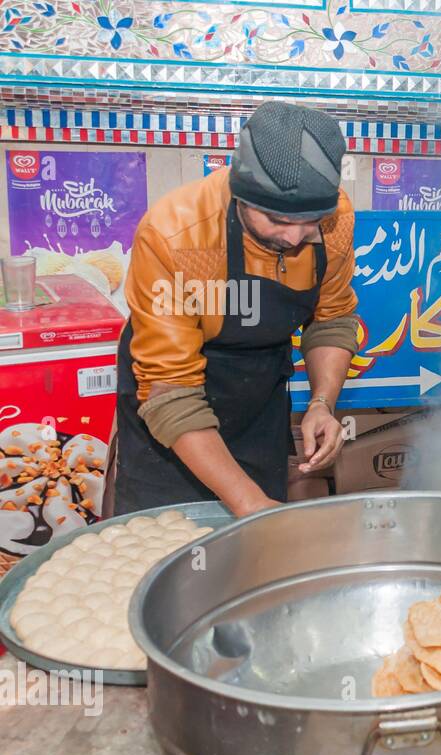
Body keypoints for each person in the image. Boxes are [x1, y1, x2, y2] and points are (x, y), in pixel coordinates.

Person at [111, 101, 361, 517]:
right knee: (169, 545)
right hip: (172, 422)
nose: (297, 236)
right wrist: (249, 503)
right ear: (242, 194)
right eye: (278, 219)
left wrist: (321, 403)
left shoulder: (335, 218)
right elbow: (170, 393)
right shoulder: (175, 234)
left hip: (257, 404)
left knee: (252, 562)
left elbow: (332, 318)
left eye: (311, 219)